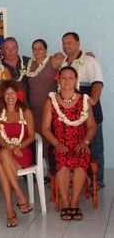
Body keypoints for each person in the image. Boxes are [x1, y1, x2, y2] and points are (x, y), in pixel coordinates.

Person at [42, 66, 97, 221]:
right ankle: (65, 202)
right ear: (58, 80)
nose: (67, 80)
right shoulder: (50, 101)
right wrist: (56, 143)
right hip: (59, 144)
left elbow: (92, 127)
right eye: (63, 77)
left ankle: (74, 203)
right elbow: (45, 129)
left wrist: (86, 142)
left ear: (76, 80)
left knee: (81, 161)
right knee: (63, 162)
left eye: (70, 77)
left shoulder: (84, 100)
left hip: (81, 143)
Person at [60, 32, 104, 188]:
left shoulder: (89, 61)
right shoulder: (63, 63)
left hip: (90, 112)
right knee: (78, 148)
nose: (66, 46)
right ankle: (79, 179)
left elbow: (97, 84)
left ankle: (97, 181)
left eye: (70, 42)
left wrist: (92, 101)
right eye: (64, 43)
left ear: (78, 43)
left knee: (95, 147)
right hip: (71, 116)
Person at [0, 79, 34, 227]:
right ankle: (20, 195)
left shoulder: (26, 111)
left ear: (18, 94)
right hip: (6, 150)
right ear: (2, 96)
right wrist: (9, 146)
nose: (10, 96)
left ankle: (10, 210)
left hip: (23, 152)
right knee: (3, 153)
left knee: (1, 168)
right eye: (6, 93)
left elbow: (31, 136)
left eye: (13, 93)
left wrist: (19, 145)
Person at [26, 39, 61, 183]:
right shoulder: (30, 64)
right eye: (34, 48)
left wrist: (87, 55)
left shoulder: (53, 60)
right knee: (39, 140)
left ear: (46, 50)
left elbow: (72, 64)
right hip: (34, 110)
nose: (37, 51)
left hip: (50, 109)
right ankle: (43, 171)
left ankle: (53, 172)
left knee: (50, 140)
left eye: (40, 48)